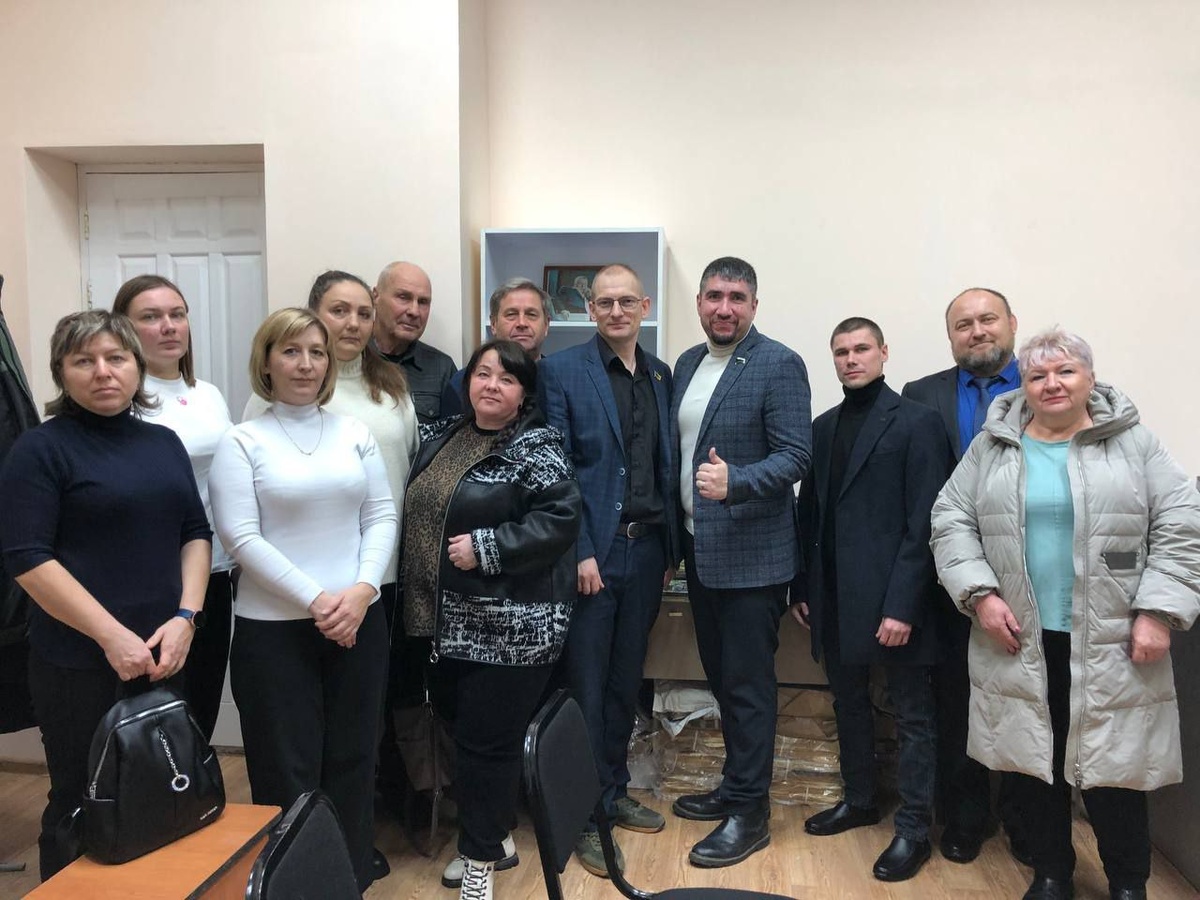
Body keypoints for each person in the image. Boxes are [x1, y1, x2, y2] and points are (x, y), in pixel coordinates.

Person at [930, 328, 1200, 900]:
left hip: (1112, 638)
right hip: (1020, 635)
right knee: (1035, 762)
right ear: (1022, 384)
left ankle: (1128, 882)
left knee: (1116, 768)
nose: (1051, 384)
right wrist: (981, 595)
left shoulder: (1133, 443)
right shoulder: (993, 446)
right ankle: (1052, 872)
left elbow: (1181, 525)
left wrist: (1157, 611)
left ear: (1090, 379)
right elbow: (950, 519)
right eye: (1037, 375)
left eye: (1065, 372)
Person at [0, 310, 211, 881]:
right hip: (78, 663)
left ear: (136, 367)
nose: (102, 371)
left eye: (115, 358)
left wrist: (186, 618)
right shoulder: (39, 450)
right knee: (83, 797)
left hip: (165, 653)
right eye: (83, 360)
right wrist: (111, 636)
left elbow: (195, 532)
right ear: (61, 372)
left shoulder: (164, 443)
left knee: (162, 788)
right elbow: (28, 559)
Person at [210, 308, 397, 892]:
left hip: (359, 621)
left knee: (354, 760)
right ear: (266, 361)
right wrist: (320, 601)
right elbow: (241, 538)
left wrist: (362, 592)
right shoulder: (243, 441)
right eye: (291, 351)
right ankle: (291, 885)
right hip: (274, 633)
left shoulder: (353, 433)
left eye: (317, 352)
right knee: (285, 769)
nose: (306, 364)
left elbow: (381, 515)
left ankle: (346, 879)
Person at [402, 338, 580, 900]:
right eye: (483, 374)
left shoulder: (536, 446)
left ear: (524, 392)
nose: (492, 386)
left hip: (510, 628)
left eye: (507, 378)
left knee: (487, 743)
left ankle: (479, 858)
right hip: (440, 621)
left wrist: (487, 547)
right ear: (467, 381)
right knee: (464, 736)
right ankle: (495, 836)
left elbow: (560, 518)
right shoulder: (442, 436)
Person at [792, 317, 949, 882]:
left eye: (861, 349)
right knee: (849, 704)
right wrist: (803, 587)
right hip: (833, 597)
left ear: (884, 352)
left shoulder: (918, 422)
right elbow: (810, 513)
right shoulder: (823, 427)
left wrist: (903, 605)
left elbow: (925, 520)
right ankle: (860, 800)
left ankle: (913, 828)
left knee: (912, 715)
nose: (851, 359)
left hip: (895, 600)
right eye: (841, 352)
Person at [668, 256, 811, 867]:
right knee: (723, 681)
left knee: (749, 688)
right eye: (714, 296)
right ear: (700, 302)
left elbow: (796, 455)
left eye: (736, 298)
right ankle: (734, 787)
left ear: (754, 305)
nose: (723, 308)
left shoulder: (779, 363)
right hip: (699, 553)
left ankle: (750, 814)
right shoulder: (686, 364)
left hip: (754, 560)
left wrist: (738, 482)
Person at [538, 263, 677, 876]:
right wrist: (581, 550)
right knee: (587, 688)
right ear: (589, 310)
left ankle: (613, 791)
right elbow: (556, 468)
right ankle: (584, 815)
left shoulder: (661, 375)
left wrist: (669, 552)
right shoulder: (562, 370)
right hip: (594, 554)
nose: (616, 311)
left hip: (647, 554)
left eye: (626, 301)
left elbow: (664, 465)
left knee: (625, 683)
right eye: (604, 303)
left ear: (645, 306)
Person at [901, 286, 1024, 863]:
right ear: (950, 336)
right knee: (955, 703)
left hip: (1028, 576)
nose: (976, 331)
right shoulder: (920, 395)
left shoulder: (1045, 387)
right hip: (949, 578)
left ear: (1012, 323)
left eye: (987, 319)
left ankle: (1027, 821)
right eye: (963, 325)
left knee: (1029, 704)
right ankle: (965, 816)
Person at [112, 274, 234, 741]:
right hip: (151, 576)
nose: (169, 326)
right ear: (124, 328)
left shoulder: (208, 394)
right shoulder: (120, 400)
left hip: (213, 572)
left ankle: (193, 784)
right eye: (151, 317)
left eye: (177, 315)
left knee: (201, 703)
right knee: (153, 713)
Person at [442, 276, 553, 414]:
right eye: (511, 314)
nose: (522, 323)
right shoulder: (463, 383)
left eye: (531, 314)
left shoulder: (560, 380)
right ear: (493, 324)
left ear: (546, 325)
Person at [372, 260, 456, 423]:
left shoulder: (442, 368)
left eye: (423, 302)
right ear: (376, 296)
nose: (414, 311)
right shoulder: (350, 359)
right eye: (403, 297)